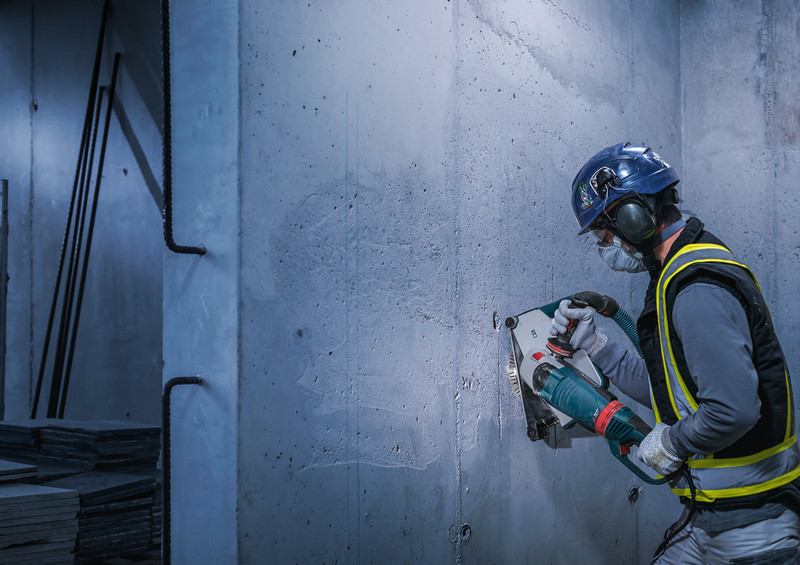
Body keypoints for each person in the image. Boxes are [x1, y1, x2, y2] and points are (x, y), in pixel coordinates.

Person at [549, 142, 800, 564]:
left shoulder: (696, 288)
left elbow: (733, 411)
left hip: (753, 528)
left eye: (603, 234)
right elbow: (673, 392)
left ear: (632, 218)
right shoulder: (674, 275)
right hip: (708, 517)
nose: (604, 246)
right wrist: (594, 346)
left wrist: (672, 442)